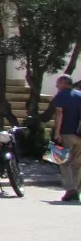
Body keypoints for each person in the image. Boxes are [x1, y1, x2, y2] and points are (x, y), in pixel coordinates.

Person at [41, 73, 81, 202]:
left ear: (64, 83)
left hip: (66, 133)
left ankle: (71, 190)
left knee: (63, 162)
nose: (56, 85)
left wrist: (57, 133)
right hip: (79, 135)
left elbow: (59, 113)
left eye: (58, 82)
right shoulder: (80, 95)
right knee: (77, 164)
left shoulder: (61, 95)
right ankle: (76, 189)